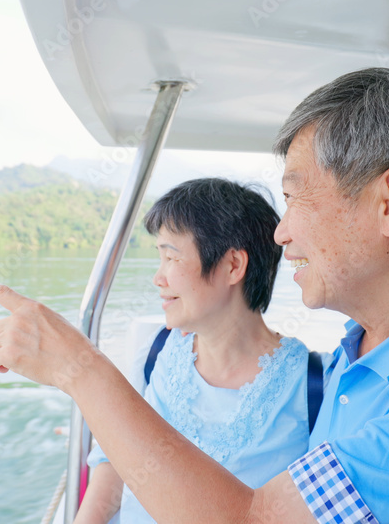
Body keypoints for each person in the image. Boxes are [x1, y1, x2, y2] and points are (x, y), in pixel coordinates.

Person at [0, 67, 389, 523]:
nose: (281, 232)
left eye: (297, 195)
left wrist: (78, 368)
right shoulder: (357, 358)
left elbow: (254, 519)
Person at [75, 178, 317, 523]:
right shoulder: (155, 352)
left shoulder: (314, 384)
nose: (158, 278)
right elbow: (115, 456)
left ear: (233, 266)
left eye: (171, 258)